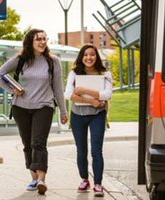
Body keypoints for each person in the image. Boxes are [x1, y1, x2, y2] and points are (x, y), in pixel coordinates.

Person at [0, 29, 68, 195]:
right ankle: (33, 179)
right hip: (21, 108)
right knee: (27, 144)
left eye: (44, 38)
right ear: (30, 42)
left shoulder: (53, 61)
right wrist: (13, 89)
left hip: (44, 106)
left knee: (38, 142)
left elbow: (58, 87)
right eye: (38, 39)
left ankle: (41, 179)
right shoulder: (20, 60)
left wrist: (63, 111)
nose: (42, 42)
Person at [63, 44, 113, 197]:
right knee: (81, 150)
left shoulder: (105, 73)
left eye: (92, 54)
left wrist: (84, 90)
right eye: (85, 55)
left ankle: (98, 184)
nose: (89, 58)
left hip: (97, 115)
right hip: (78, 115)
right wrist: (92, 101)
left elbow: (107, 95)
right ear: (81, 57)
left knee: (96, 150)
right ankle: (85, 179)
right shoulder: (74, 73)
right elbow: (68, 94)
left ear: (96, 56)